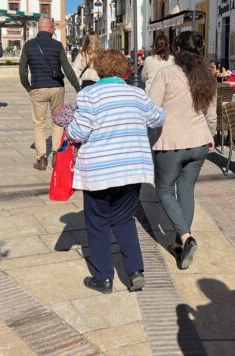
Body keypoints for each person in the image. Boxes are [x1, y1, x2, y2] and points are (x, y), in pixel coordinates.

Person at [67, 50, 165, 294]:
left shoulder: (89, 95)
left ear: (99, 70)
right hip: (132, 169)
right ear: (124, 70)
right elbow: (157, 118)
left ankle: (104, 277)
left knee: (98, 222)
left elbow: (78, 132)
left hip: (99, 171)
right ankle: (135, 271)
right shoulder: (137, 94)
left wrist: (68, 127)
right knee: (124, 218)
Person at [149, 31, 217, 270]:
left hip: (171, 143)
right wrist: (211, 135)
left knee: (165, 189)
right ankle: (180, 245)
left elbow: (152, 110)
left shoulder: (166, 74)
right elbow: (212, 114)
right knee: (186, 189)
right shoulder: (207, 76)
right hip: (199, 143)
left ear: (177, 50)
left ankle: (186, 238)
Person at [20, 17, 80, 170]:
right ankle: (56, 156)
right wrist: (78, 88)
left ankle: (41, 160)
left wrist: (29, 87)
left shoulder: (28, 45)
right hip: (56, 88)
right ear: (49, 28)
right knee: (57, 122)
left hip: (38, 88)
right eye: (53, 28)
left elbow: (22, 71)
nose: (54, 31)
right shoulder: (57, 45)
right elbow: (67, 69)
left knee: (39, 124)